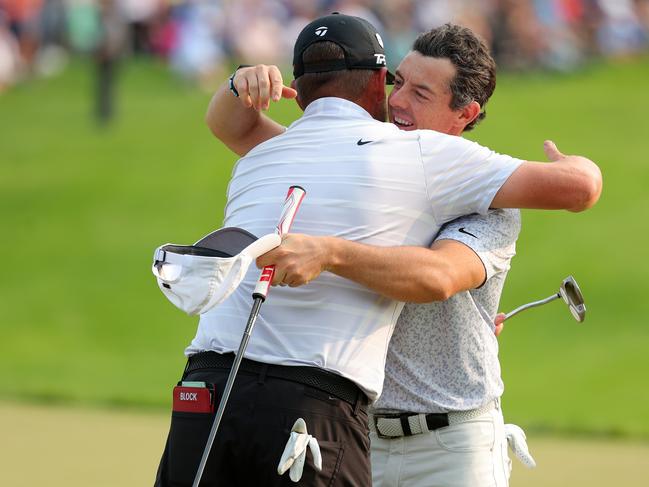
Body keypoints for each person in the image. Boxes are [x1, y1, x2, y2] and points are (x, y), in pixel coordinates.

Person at [155, 13, 601, 487]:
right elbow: (234, 126)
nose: (398, 101)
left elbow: (438, 277)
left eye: (421, 94)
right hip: (362, 431)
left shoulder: (481, 197)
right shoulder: (371, 155)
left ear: (465, 114)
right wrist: (240, 83)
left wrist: (330, 252)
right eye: (398, 82)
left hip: (450, 443)